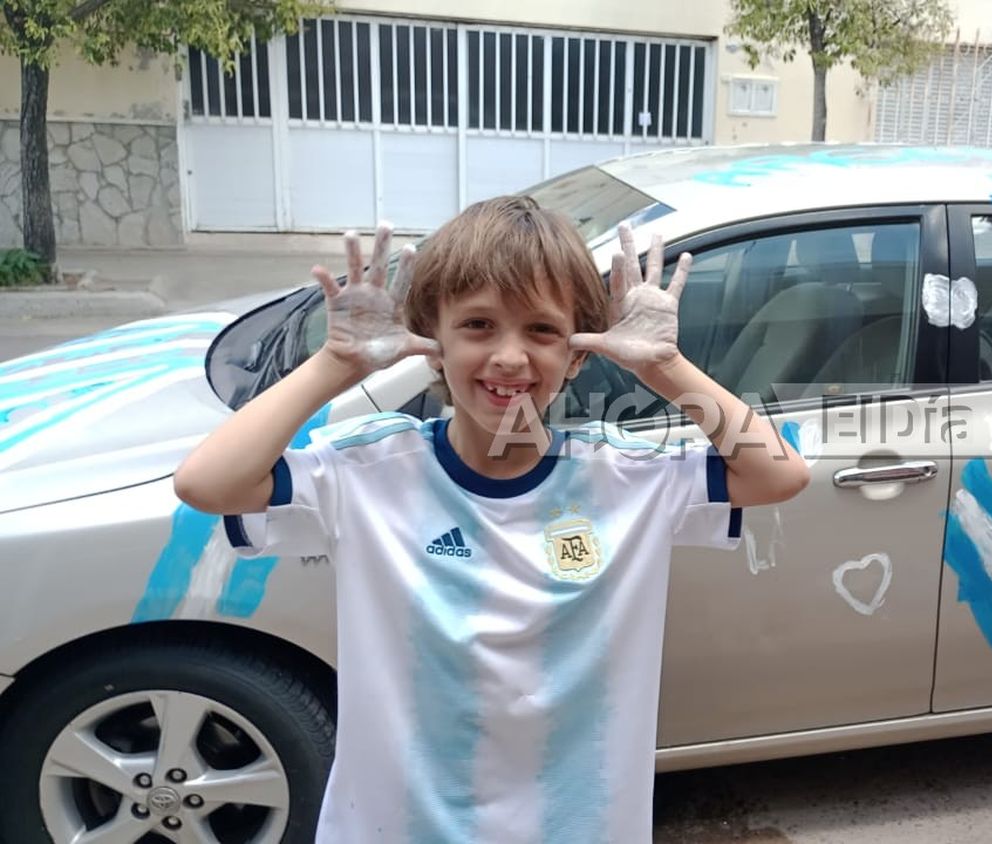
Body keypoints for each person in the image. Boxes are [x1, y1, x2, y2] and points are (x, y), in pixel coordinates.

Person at [173, 196, 810, 842]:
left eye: (541, 330)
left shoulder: (624, 476)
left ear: (579, 353)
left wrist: (664, 367)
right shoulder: (366, 474)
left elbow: (779, 473)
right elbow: (207, 482)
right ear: (432, 345)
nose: (509, 357)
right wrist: (334, 366)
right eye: (478, 325)